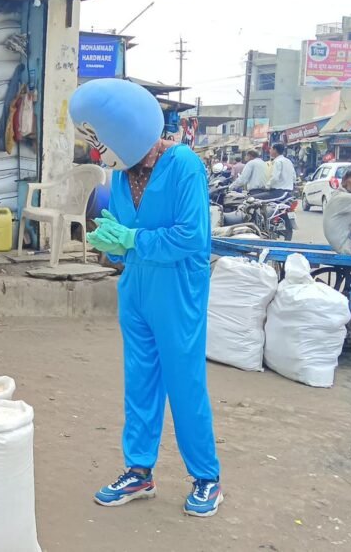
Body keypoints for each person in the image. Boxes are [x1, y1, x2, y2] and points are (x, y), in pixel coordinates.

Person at [71, 79, 222, 518]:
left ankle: (207, 478)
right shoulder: (121, 175)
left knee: (184, 383)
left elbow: (191, 237)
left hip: (177, 288)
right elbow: (122, 235)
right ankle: (139, 471)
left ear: (125, 130)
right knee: (139, 382)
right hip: (136, 286)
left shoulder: (184, 165)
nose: (97, 151)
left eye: (99, 140)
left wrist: (132, 239)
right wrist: (112, 242)